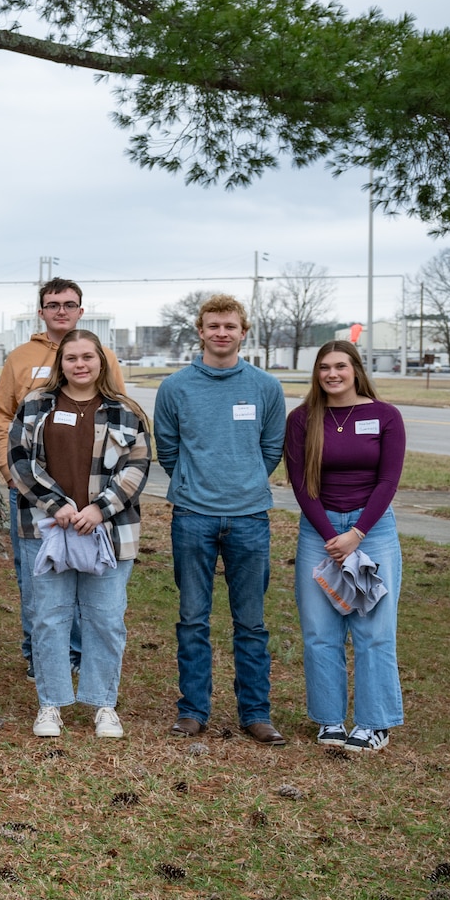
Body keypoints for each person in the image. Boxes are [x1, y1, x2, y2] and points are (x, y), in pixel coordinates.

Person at [155, 294, 288, 744]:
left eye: (230, 326)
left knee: (250, 622)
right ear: (200, 330)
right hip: (193, 515)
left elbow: (272, 447)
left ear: (243, 331)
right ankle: (193, 710)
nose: (221, 333)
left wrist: (243, 483)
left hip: (249, 518)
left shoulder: (266, 387)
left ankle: (256, 713)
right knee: (193, 618)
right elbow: (168, 450)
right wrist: (199, 483)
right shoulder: (175, 387)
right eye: (213, 325)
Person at [5, 329, 152, 739]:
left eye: (88, 356)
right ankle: (50, 704)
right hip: (48, 528)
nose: (80, 364)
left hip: (108, 530)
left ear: (101, 362)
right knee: (49, 619)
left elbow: (137, 468)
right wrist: (61, 506)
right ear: (61, 364)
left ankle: (103, 703)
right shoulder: (36, 405)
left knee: (105, 619)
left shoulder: (126, 411)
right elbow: (19, 462)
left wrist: (97, 509)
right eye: (72, 358)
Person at [0, 278, 128, 675]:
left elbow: (120, 414)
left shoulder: (104, 355)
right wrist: (8, 468)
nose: (61, 311)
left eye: (69, 304)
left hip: (91, 491)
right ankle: (40, 651)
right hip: (32, 489)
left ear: (81, 310)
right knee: (37, 575)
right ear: (41, 311)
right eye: (53, 304)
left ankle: (81, 652)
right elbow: (2, 414)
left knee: (89, 570)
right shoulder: (20, 358)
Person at [285, 339, 406, 753]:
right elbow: (300, 483)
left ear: (356, 369)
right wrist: (329, 535)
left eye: (340, 366)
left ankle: (374, 723)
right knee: (320, 631)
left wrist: (357, 533)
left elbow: (388, 481)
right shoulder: (302, 419)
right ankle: (329, 720)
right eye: (324, 367)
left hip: (373, 530)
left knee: (373, 631)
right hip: (319, 532)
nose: (332, 374)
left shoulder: (385, 416)